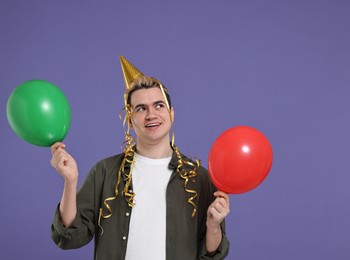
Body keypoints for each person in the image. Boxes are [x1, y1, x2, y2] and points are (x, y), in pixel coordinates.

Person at [50, 55, 230, 259]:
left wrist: (213, 226)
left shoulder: (199, 178)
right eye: (141, 108)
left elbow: (212, 255)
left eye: (159, 105)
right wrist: (70, 181)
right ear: (131, 119)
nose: (151, 114)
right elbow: (70, 237)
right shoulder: (105, 172)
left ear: (171, 114)